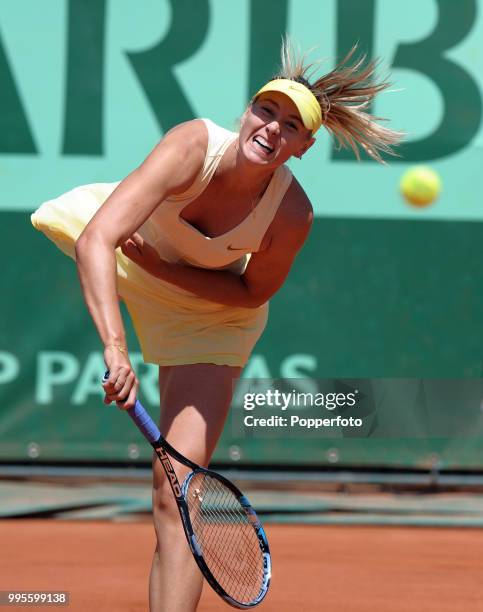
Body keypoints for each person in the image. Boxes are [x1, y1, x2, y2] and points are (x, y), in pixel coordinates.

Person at [31, 40, 403, 612]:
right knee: (99, 240)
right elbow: (98, 239)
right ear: (246, 113)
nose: (272, 128)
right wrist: (116, 350)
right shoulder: (191, 145)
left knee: (180, 491)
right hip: (130, 250)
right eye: (265, 110)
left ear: (303, 147)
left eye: (290, 126)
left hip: (209, 311)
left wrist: (167, 273)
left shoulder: (291, 214)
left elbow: (251, 292)